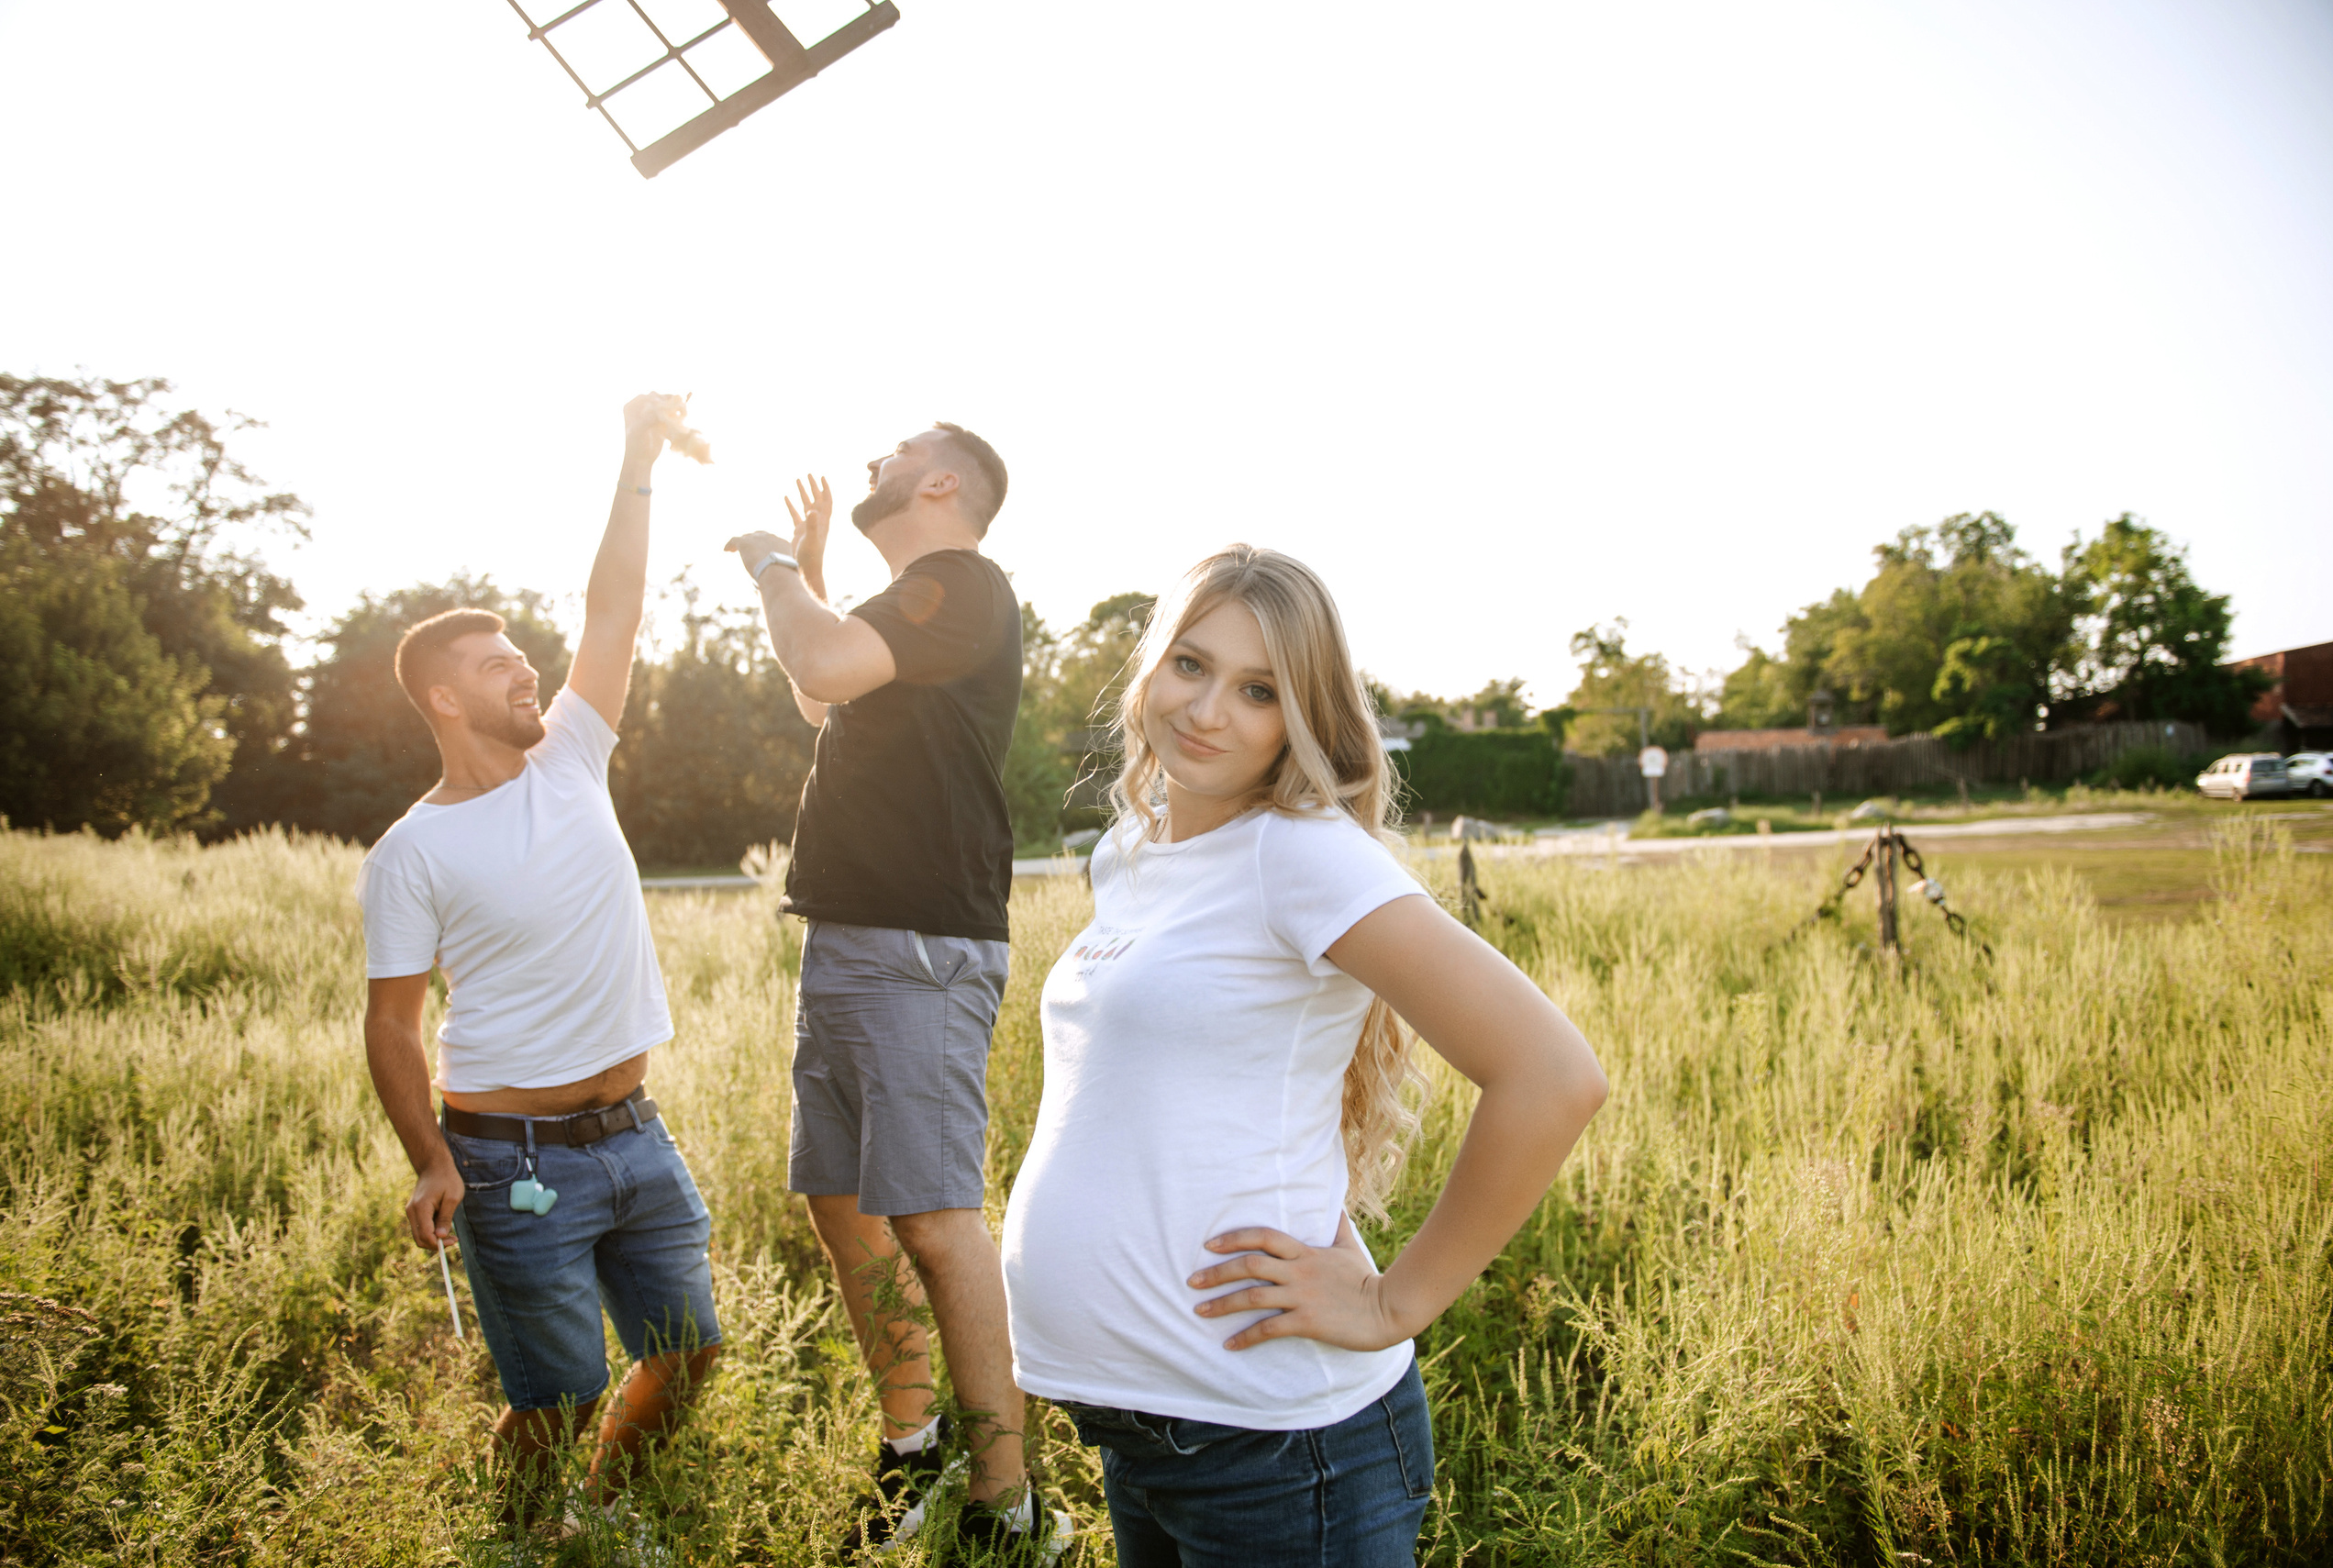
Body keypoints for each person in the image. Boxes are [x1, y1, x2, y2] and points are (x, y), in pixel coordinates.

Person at [1002, 545, 1611, 1566]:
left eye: (1259, 690)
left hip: (1278, 1451)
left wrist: (1391, 1301)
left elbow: (1553, 1075)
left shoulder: (1300, 851)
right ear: (1149, 666)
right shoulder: (1130, 853)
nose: (1207, 709)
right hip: (1145, 1435)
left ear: (1303, 717)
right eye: (1190, 664)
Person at [358, 395, 721, 1543]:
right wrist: (429, 1158)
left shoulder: (571, 756)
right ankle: (521, 1540)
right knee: (555, 1392)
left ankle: (600, 1519)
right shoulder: (410, 851)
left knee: (689, 1349)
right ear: (443, 697)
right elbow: (391, 1023)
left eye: (523, 655)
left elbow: (613, 604)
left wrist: (638, 453)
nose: (524, 671)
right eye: (495, 664)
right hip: (509, 1157)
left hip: (635, 1132)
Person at [724, 423, 1068, 1560]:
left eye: (901, 447)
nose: (876, 458)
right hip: (851, 939)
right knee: (842, 1203)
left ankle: (1008, 1507)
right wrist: (815, 577)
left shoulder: (961, 582)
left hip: (919, 946)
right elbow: (823, 692)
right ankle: (913, 1450)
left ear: (942, 481)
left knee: (930, 1215)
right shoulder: (916, 607)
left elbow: (822, 665)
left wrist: (775, 561)